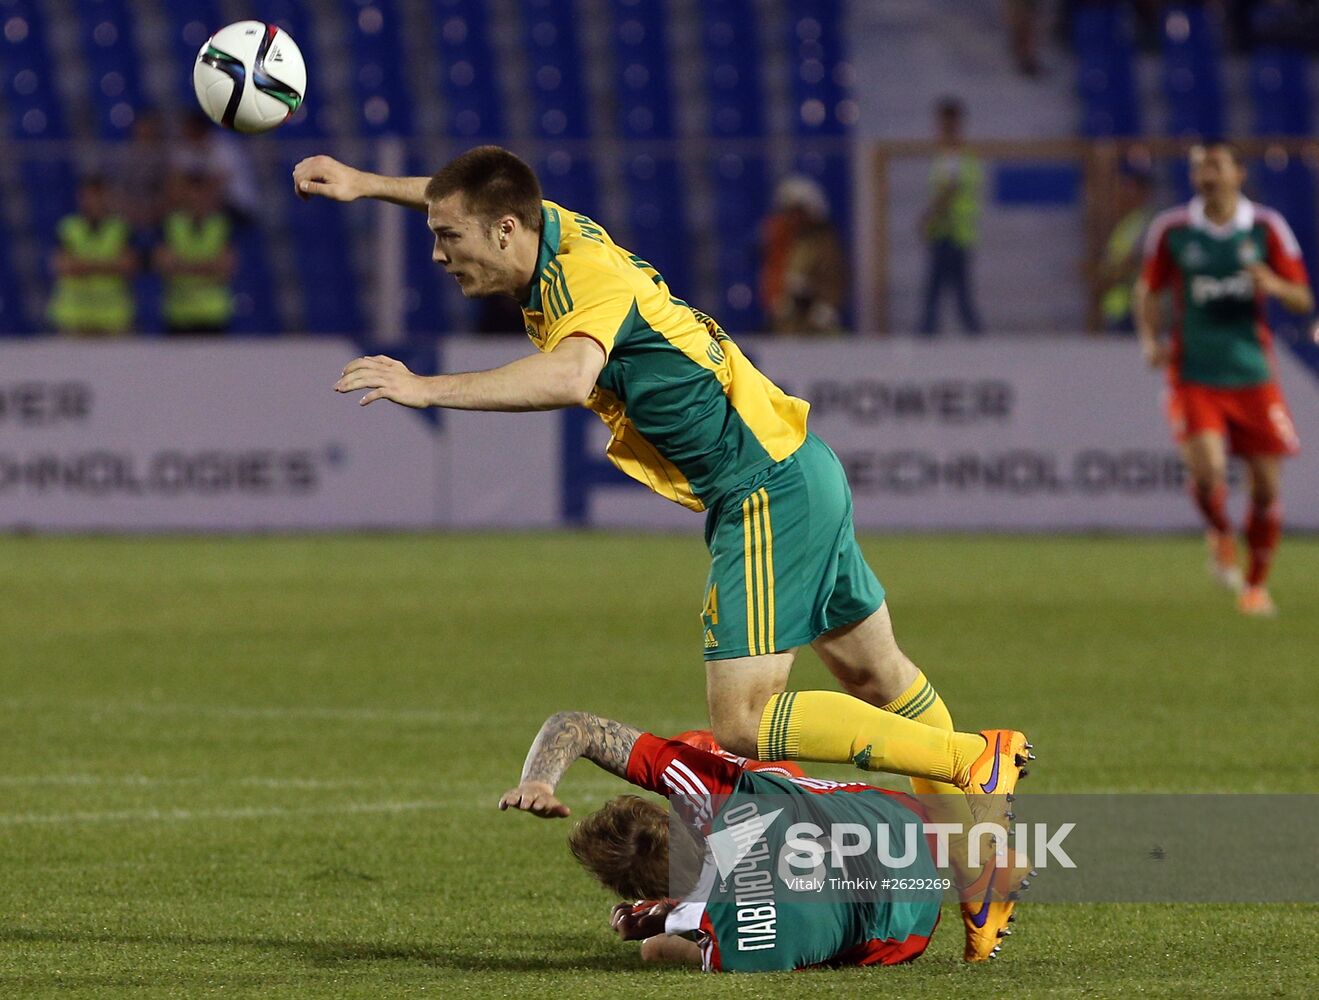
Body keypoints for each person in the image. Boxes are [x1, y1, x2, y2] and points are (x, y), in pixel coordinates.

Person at [292, 146, 1034, 959]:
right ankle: (978, 870)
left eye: (447, 238)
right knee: (876, 677)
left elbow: (571, 376)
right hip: (800, 467)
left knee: (742, 723)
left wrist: (426, 387)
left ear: (508, 231)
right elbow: (469, 199)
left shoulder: (587, 284)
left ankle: (972, 757)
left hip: (760, 491)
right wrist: (367, 187)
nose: (438, 254)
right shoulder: (557, 234)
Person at [499, 710, 1032, 971]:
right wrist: (538, 781)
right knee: (719, 744)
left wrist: (665, 921)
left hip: (909, 927)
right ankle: (971, 846)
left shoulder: (728, 938)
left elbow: (656, 950)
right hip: (908, 825)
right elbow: (578, 727)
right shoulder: (712, 789)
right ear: (667, 815)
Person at [1135, 141, 1312, 616]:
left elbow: (1302, 298)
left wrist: (1273, 285)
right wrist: (1150, 339)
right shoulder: (1172, 230)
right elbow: (1148, 291)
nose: (1205, 174)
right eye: (1197, 168)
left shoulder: (1266, 227)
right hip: (1195, 373)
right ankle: (1219, 531)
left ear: (1237, 173)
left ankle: (1255, 586)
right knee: (1210, 471)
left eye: (1215, 165)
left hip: (1252, 372)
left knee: (1267, 487)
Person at [918, 97, 984, 336]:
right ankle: (973, 336)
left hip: (952, 233)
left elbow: (949, 191)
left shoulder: (954, 158)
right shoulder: (950, 156)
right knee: (953, 293)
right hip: (951, 232)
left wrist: (929, 217)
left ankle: (928, 338)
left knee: (942, 293)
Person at [47, 175, 137, 336]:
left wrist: (82, 265)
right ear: (80, 197)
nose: (94, 201)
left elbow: (128, 265)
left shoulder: (120, 228)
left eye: (98, 195)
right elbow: (62, 265)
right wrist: (108, 265)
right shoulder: (68, 227)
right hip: (74, 318)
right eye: (89, 195)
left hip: (112, 319)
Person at [759, 176, 848, 334]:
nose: (792, 218)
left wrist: (827, 305)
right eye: (789, 212)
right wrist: (779, 300)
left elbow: (834, 277)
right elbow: (774, 274)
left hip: (818, 319)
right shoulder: (782, 239)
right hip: (789, 319)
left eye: (797, 212)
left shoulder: (825, 242)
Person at [154, 170, 237, 335]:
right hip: (179, 314)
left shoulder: (221, 225)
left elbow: (226, 267)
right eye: (193, 193)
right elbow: (164, 265)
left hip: (214, 314)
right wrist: (207, 266)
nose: (197, 199)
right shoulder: (171, 224)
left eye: (202, 193)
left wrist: (183, 265)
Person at [1089, 158, 1154, 333]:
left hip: (1133, 308)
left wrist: (1105, 280)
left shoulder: (1147, 223)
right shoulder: (1126, 223)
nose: (1122, 192)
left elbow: (1136, 264)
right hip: (1118, 308)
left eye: (1129, 186)